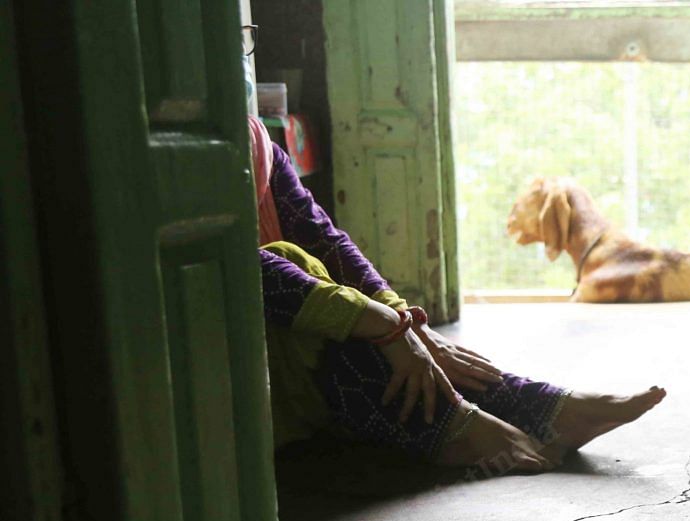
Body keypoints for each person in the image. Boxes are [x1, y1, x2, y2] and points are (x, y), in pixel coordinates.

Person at [250, 118, 664, 472]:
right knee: (299, 273)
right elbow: (249, 271)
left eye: (245, 39)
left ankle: (543, 408)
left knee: (383, 324)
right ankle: (456, 428)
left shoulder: (255, 143)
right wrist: (388, 327)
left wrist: (408, 325)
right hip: (243, 377)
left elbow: (325, 240)